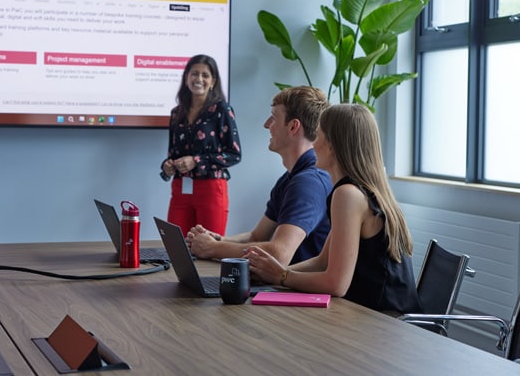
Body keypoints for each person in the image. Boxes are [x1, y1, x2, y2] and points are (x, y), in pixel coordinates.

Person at [245, 104, 422, 315]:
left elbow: (336, 284)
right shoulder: (359, 190)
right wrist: (272, 272)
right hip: (382, 317)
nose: (313, 145)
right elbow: (322, 262)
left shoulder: (348, 194)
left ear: (332, 145)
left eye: (317, 136)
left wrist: (281, 276)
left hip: (383, 323)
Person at [186, 86, 332, 266]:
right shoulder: (291, 178)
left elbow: (279, 253)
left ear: (293, 126)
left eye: (274, 117)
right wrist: (217, 240)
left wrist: (212, 248)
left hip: (299, 292)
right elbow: (255, 236)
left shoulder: (308, 183)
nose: (266, 124)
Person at [160, 54, 241, 236]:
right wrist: (168, 166)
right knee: (176, 244)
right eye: (194, 73)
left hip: (211, 189)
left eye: (205, 75)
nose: (199, 79)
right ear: (187, 77)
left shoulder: (222, 110)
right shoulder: (176, 113)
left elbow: (234, 154)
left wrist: (196, 161)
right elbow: (173, 153)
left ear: (213, 81)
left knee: (209, 249)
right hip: (181, 189)